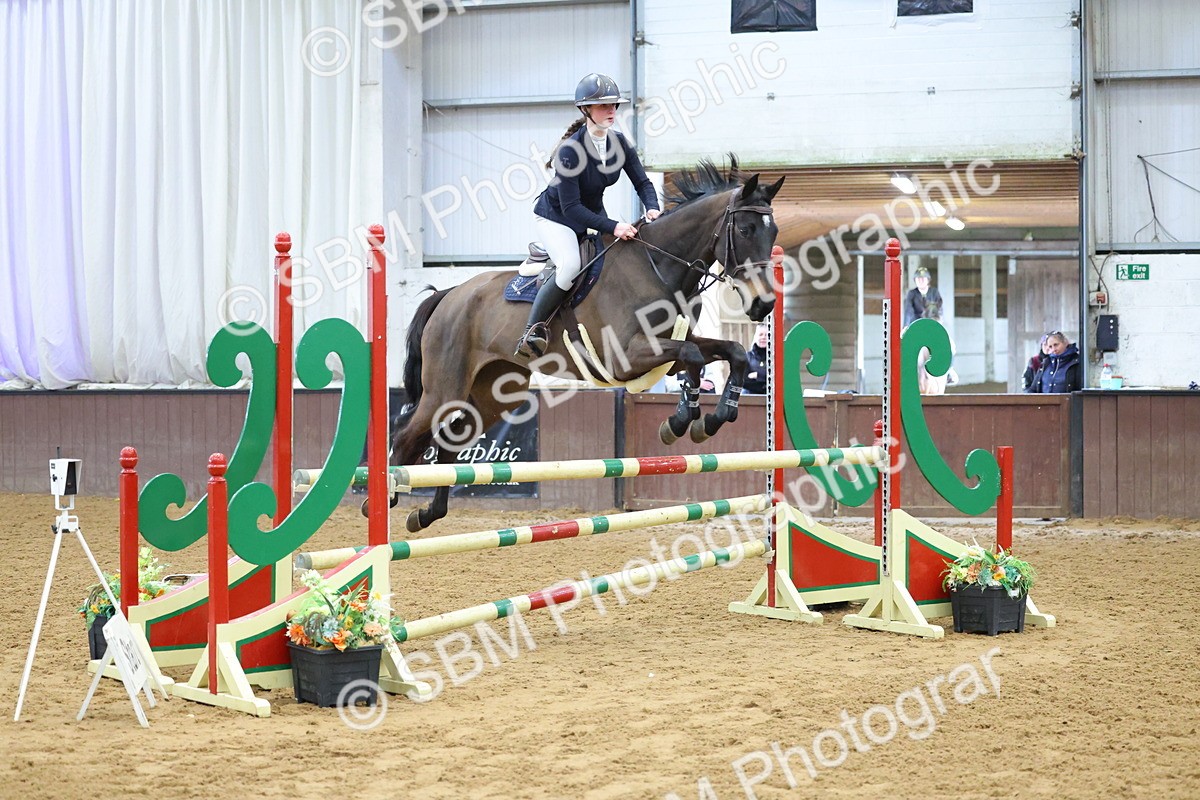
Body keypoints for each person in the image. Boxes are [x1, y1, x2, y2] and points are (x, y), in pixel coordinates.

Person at [515, 73, 662, 358]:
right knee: (570, 265)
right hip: (557, 217)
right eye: (604, 105)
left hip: (591, 212)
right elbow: (571, 208)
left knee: (620, 257)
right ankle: (533, 331)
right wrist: (614, 226)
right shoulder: (570, 151)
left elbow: (643, 183)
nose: (612, 110)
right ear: (586, 109)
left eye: (614, 105)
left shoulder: (620, 143)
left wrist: (652, 207)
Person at [743, 322, 769, 394]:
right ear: (756, 337)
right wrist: (765, 383)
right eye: (760, 334)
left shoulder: (776, 358)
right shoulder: (747, 356)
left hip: (772, 397)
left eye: (767, 335)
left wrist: (758, 375)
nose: (763, 337)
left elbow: (778, 378)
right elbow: (743, 381)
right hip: (750, 397)